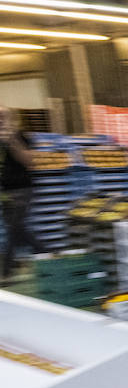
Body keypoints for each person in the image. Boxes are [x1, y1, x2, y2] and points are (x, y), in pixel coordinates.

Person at [1, 107, 46, 283]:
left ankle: (6, 271)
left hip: (22, 189)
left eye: (2, 116)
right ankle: (46, 254)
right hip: (5, 191)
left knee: (14, 227)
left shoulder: (21, 136)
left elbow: (29, 161)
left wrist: (11, 140)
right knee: (15, 228)